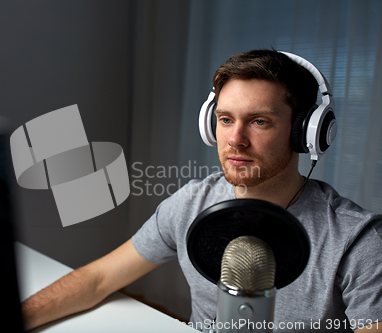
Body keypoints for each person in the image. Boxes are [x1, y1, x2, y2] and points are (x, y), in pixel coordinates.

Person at [21, 50, 382, 332]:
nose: (235, 140)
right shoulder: (193, 204)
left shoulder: (356, 240)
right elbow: (98, 278)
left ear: (304, 132)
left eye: (259, 121)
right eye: (225, 120)